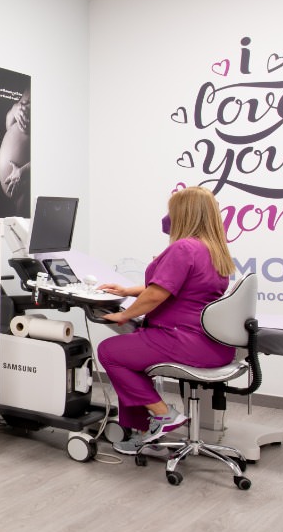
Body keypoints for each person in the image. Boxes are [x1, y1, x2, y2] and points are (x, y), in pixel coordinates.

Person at [96, 186, 237, 455]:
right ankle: (144, 431)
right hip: (211, 343)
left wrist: (124, 314)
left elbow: (157, 294)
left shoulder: (184, 248)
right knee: (130, 354)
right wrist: (127, 291)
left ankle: (163, 416)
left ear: (183, 213)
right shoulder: (213, 250)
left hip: (182, 338)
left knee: (110, 352)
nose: (167, 217)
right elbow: (178, 286)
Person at [0, 97, 30, 202]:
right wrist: (14, 110)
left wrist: (22, 172)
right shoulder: (27, 92)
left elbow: (51, 156)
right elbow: (9, 126)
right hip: (15, 189)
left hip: (25, 182)